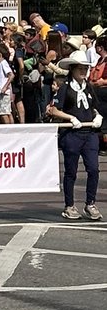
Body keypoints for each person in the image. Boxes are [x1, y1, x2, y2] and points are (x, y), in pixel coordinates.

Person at [49, 49, 102, 220]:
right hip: (72, 134)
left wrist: (97, 116)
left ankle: (90, 203)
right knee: (71, 171)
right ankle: (69, 205)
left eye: (85, 68)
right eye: (80, 68)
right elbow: (53, 110)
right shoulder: (65, 88)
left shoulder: (89, 87)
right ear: (72, 69)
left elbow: (93, 106)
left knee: (93, 169)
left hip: (89, 133)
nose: (83, 72)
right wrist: (70, 117)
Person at [0, 43, 15, 123]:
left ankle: (8, 128)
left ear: (0, 54)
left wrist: (5, 87)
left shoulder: (4, 63)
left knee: (3, 113)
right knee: (7, 111)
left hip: (4, 92)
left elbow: (11, 75)